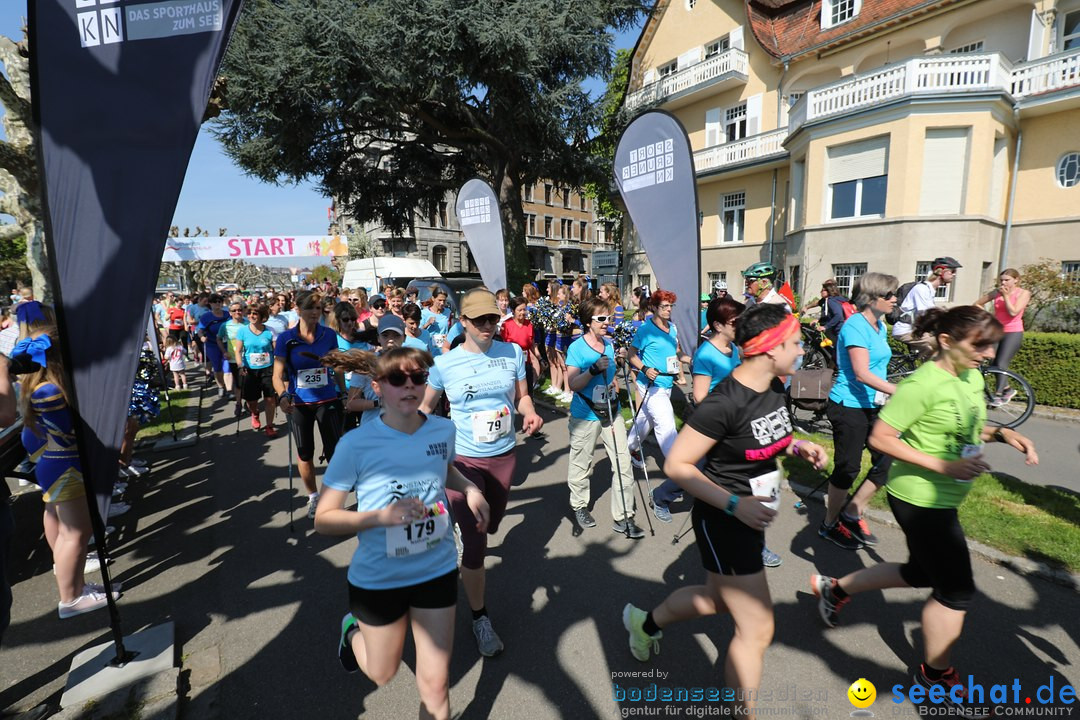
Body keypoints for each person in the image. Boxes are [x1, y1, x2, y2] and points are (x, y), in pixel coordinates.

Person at [811, 306, 1038, 712]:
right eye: (981, 345)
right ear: (947, 342)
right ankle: (935, 675)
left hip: (945, 495)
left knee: (918, 572)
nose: (988, 354)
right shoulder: (922, 383)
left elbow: (963, 424)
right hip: (919, 498)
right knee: (955, 591)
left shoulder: (967, 375)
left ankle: (836, 588)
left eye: (992, 346)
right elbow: (882, 438)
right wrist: (943, 465)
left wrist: (1002, 433)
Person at [623, 304, 829, 719]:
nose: (802, 352)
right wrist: (736, 504)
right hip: (725, 520)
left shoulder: (773, 386)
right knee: (757, 629)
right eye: (795, 344)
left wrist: (796, 446)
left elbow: (766, 435)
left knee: (716, 600)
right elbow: (676, 465)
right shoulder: (723, 402)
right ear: (771, 349)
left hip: (751, 513)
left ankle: (644, 624)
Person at [315, 347, 490, 720]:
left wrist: (471, 489)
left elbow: (444, 471)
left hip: (437, 569)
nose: (410, 386)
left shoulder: (443, 428)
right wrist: (380, 518)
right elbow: (324, 518)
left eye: (418, 378)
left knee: (436, 686)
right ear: (378, 387)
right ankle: (352, 632)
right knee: (382, 672)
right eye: (398, 379)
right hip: (379, 577)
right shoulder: (356, 444)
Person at [419, 289, 543, 657]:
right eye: (480, 320)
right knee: (476, 543)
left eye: (493, 319)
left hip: (503, 456)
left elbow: (521, 396)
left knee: (492, 525)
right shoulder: (445, 364)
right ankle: (480, 617)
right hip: (464, 462)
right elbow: (426, 407)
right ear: (463, 323)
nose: (489, 325)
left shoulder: (513, 353)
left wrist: (530, 411)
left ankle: (467, 533)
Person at [14, 303, 120, 618]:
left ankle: (73, 588)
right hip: (66, 467)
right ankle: (70, 598)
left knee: (66, 529)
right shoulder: (49, 391)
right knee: (76, 533)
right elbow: (71, 432)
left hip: (58, 465)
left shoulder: (39, 385)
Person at [819, 273, 899, 551]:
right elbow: (862, 374)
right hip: (848, 405)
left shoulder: (880, 327)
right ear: (872, 297)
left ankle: (852, 512)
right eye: (889, 295)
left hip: (873, 405)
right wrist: (897, 390)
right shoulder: (855, 326)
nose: (894, 299)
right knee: (848, 468)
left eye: (894, 294)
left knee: (886, 460)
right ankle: (829, 523)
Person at [564, 298, 643, 538]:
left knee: (623, 462)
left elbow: (612, 379)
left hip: (611, 410)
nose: (606, 323)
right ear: (588, 322)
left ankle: (623, 516)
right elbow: (573, 384)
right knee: (582, 462)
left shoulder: (608, 344)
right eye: (601, 319)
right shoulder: (576, 348)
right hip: (585, 414)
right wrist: (592, 370)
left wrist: (616, 371)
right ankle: (579, 505)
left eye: (608, 318)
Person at [273, 290, 345, 519]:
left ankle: (333, 499)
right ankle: (313, 496)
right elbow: (277, 375)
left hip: (328, 400)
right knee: (305, 453)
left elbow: (337, 366)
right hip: (300, 403)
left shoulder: (329, 335)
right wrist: (282, 396)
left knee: (335, 452)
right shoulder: (287, 339)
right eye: (310, 308)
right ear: (298, 310)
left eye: (318, 308)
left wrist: (343, 392)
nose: (315, 313)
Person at [625, 290, 692, 524]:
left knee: (644, 421)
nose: (668, 310)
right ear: (654, 307)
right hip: (649, 385)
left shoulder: (672, 328)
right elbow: (630, 354)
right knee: (666, 425)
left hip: (666, 384)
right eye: (664, 306)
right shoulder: (645, 329)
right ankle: (679, 469)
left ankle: (626, 448)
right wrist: (643, 368)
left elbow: (676, 353)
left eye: (670, 306)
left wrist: (689, 359)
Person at [973, 268, 1030, 402]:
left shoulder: (1023, 293)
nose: (1004, 283)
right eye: (1002, 280)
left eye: (1007, 280)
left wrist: (1006, 297)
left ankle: (998, 395)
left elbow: (1013, 312)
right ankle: (1007, 389)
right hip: (998, 330)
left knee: (1001, 363)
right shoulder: (996, 293)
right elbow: (977, 304)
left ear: (1016, 280)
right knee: (991, 360)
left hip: (1013, 331)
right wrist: (990, 318)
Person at [891, 256, 961, 359]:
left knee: (937, 350)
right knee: (942, 345)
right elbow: (928, 314)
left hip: (915, 330)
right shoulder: (922, 289)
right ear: (941, 271)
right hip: (905, 331)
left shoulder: (930, 290)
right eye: (952, 271)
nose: (954, 274)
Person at [343, 316, 405, 427]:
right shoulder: (366, 364)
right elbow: (351, 403)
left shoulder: (412, 364)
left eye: (396, 335)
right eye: (385, 335)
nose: (390, 340)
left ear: (404, 338)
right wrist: (379, 403)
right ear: (378, 338)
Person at [691, 296, 746, 404]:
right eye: (735, 322)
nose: (740, 326)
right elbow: (699, 398)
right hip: (722, 416)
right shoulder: (705, 355)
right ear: (718, 325)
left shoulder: (732, 347)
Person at [235, 302, 279, 437]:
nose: (251, 316)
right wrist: (240, 365)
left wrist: (278, 369)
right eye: (249, 313)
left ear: (261, 316)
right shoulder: (242, 331)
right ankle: (255, 413)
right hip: (249, 370)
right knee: (251, 401)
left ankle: (269, 426)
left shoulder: (270, 331)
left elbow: (276, 351)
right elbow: (238, 351)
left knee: (270, 399)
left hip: (268, 369)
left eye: (255, 313)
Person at [500, 297, 540, 391]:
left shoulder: (529, 324)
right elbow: (502, 346)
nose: (522, 312)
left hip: (526, 364)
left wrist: (540, 359)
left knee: (528, 392)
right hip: (512, 364)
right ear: (513, 310)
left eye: (524, 309)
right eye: (519, 310)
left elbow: (533, 345)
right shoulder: (506, 325)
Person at [197, 294, 229, 395]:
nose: (218, 304)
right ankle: (221, 386)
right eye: (215, 302)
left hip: (226, 344)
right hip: (212, 344)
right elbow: (200, 330)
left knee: (227, 366)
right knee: (217, 366)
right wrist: (202, 337)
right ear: (210, 304)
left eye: (220, 302)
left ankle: (229, 388)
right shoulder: (206, 317)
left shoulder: (227, 314)